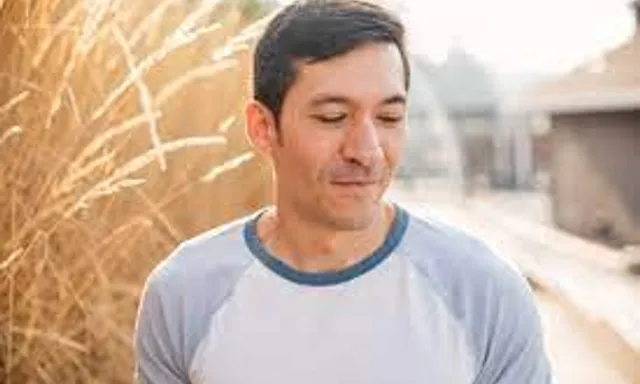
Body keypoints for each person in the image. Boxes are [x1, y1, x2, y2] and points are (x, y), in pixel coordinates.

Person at [133, 1, 554, 383]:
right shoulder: (184, 295)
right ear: (263, 128)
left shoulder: (483, 291)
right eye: (333, 117)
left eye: (389, 117)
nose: (366, 150)